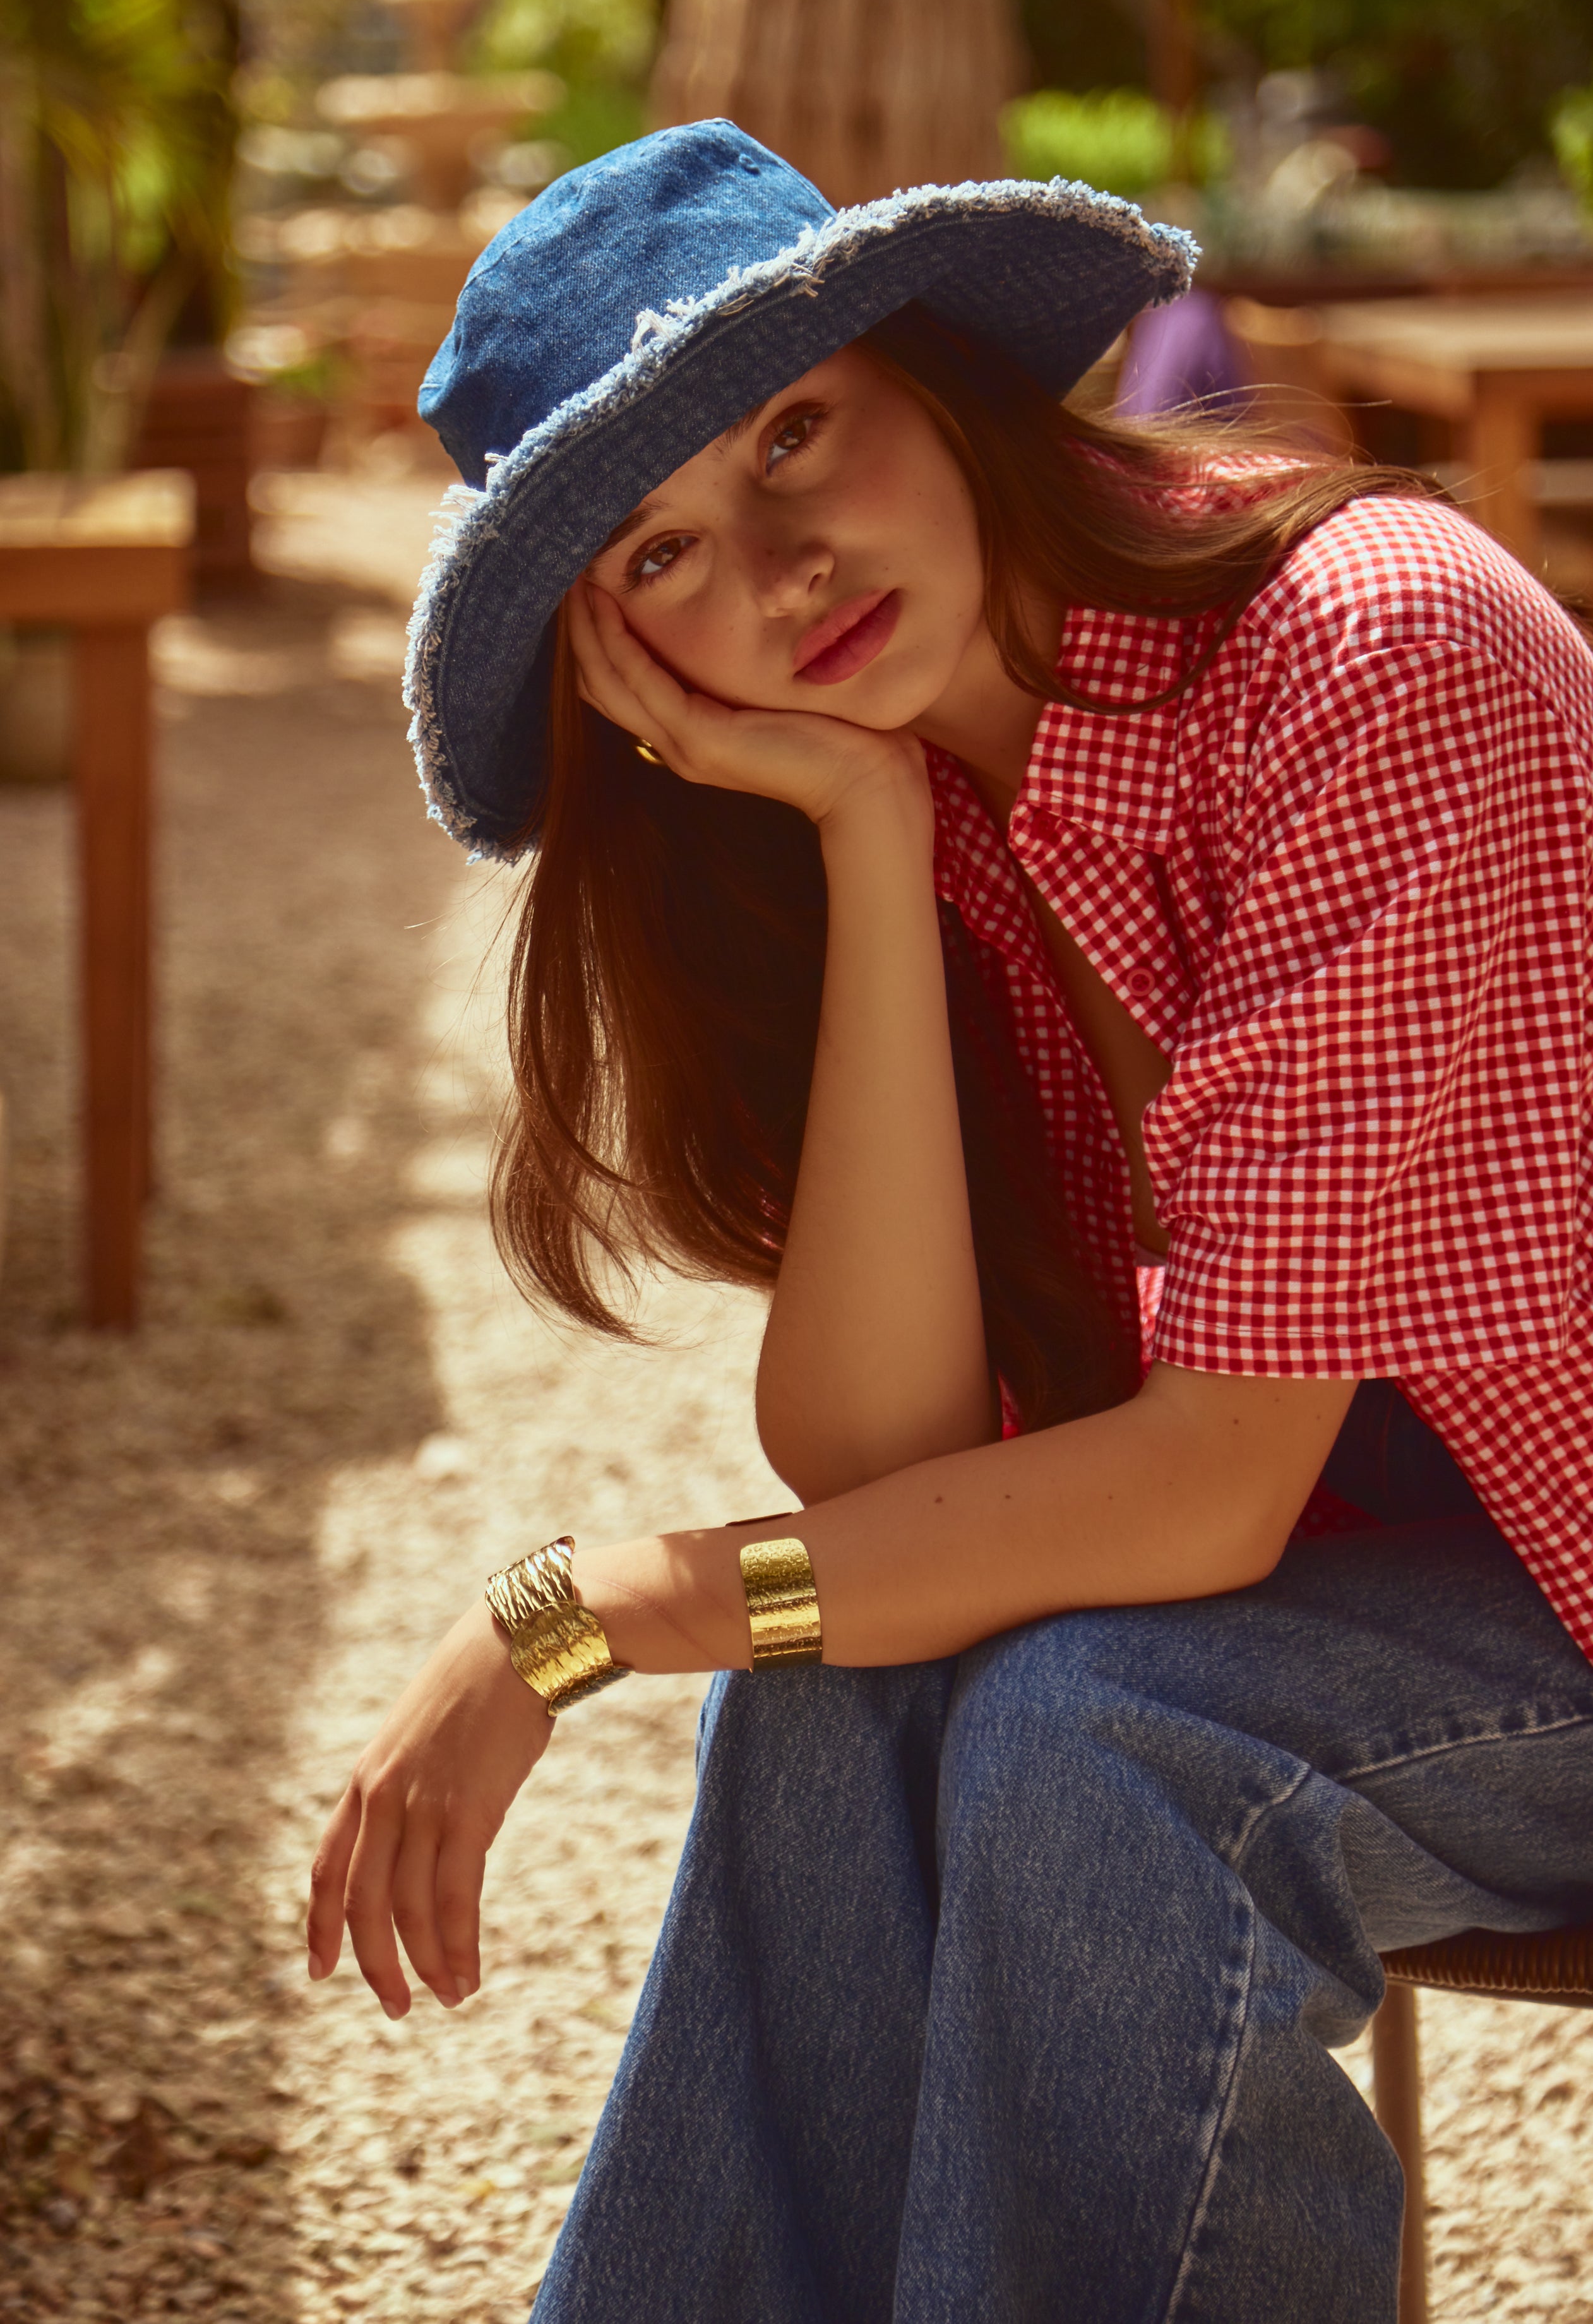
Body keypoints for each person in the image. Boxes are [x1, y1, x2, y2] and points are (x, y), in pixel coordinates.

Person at [305, 122, 1593, 2321]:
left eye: (793, 432)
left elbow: (1202, 1487)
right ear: (626, 660)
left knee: (1102, 1731)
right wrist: (872, 841)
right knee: (828, 1701)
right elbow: (886, 1473)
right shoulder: (931, 783)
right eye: (663, 551)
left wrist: (574, 1610)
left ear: (926, 367)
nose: (780, 565)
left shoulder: (1367, 654)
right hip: (1396, 1575)